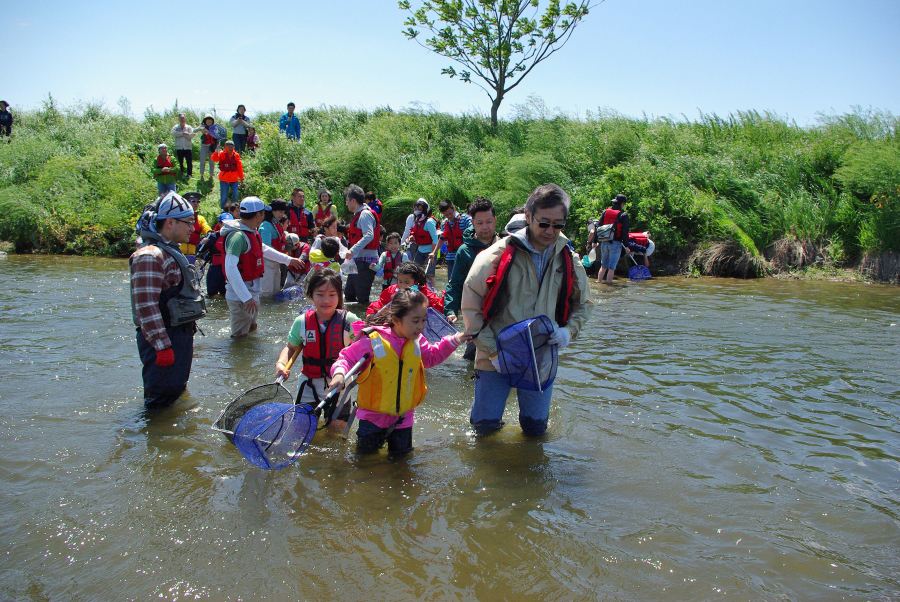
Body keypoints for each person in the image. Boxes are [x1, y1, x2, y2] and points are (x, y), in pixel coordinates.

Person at [461, 183, 592, 436]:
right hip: (495, 354)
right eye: (544, 223)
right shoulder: (494, 256)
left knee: (536, 431)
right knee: (483, 429)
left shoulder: (568, 258)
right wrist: (493, 352)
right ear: (529, 217)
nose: (550, 231)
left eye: (558, 225)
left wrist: (569, 332)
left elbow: (584, 304)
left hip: (540, 356)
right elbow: (470, 307)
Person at [327, 288, 472, 456]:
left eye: (424, 320)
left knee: (401, 465)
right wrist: (339, 374)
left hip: (403, 420)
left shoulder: (417, 341)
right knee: (365, 464)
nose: (421, 326)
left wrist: (456, 340)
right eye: (415, 321)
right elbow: (346, 358)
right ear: (396, 320)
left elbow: (432, 357)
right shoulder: (373, 340)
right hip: (372, 419)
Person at [130, 193, 206, 408]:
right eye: (188, 222)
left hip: (177, 335)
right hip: (163, 340)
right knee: (159, 404)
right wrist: (163, 347)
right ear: (170, 222)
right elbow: (145, 307)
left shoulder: (169, 250)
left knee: (176, 393)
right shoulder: (150, 256)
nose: (193, 228)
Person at [275, 269, 362, 408]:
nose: (326, 300)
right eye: (320, 294)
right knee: (305, 425)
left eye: (332, 295)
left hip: (340, 382)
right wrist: (281, 364)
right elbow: (291, 348)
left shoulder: (350, 320)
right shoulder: (302, 322)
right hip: (309, 384)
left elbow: (367, 344)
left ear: (340, 296)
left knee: (336, 428)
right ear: (311, 296)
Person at [219, 197, 304, 338]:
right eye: (264, 212)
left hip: (251, 293)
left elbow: (263, 249)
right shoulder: (238, 237)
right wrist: (246, 298)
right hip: (241, 297)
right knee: (240, 337)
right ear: (258, 215)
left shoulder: (252, 232)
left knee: (252, 329)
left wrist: (288, 260)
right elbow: (230, 268)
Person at [342, 184, 380, 306]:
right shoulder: (358, 214)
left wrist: (352, 250)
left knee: (362, 298)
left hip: (365, 261)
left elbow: (369, 235)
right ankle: (351, 322)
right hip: (357, 260)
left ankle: (364, 322)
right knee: (349, 294)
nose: (346, 204)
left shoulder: (364, 214)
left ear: (353, 200)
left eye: (347, 201)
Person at [366, 261, 443, 315]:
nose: (402, 286)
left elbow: (439, 306)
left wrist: (445, 297)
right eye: (400, 281)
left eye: (407, 282)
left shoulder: (423, 293)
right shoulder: (392, 290)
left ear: (416, 281)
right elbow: (380, 303)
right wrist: (371, 312)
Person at [597, 194, 631, 285]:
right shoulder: (623, 215)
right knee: (611, 267)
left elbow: (599, 227)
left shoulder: (605, 212)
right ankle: (608, 285)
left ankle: (599, 282)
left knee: (603, 266)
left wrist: (595, 241)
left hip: (604, 242)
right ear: (622, 203)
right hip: (615, 243)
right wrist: (627, 246)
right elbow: (624, 232)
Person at [433, 200, 472, 280]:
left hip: (464, 256)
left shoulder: (465, 219)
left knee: (465, 281)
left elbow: (474, 228)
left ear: (454, 208)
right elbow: (442, 239)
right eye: (446, 215)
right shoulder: (444, 223)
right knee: (451, 281)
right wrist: (434, 252)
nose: (449, 216)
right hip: (451, 257)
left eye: (450, 213)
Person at [406, 199, 439, 288]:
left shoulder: (429, 222)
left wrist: (433, 253)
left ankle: (432, 292)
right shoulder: (418, 221)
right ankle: (418, 290)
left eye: (419, 208)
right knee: (415, 273)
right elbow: (416, 235)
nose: (416, 210)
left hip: (430, 251)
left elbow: (435, 239)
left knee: (430, 275)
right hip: (420, 250)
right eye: (415, 208)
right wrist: (410, 238)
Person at [259, 199, 288, 297]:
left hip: (276, 263)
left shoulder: (276, 223)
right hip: (267, 264)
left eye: (283, 212)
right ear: (273, 211)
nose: (282, 214)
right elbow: (265, 246)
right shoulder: (266, 226)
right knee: (266, 294)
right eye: (280, 212)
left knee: (276, 293)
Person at [203, 211, 232, 297]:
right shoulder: (213, 237)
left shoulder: (235, 237)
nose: (227, 225)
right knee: (212, 295)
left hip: (228, 270)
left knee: (226, 295)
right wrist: (203, 243)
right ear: (219, 224)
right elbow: (199, 251)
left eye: (230, 223)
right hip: (215, 270)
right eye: (224, 223)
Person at [178, 192, 211, 264]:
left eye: (197, 201)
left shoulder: (200, 218)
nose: (196, 203)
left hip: (193, 254)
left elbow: (207, 229)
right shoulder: (178, 216)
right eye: (193, 201)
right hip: (178, 252)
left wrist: (208, 235)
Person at [210, 140, 244, 209]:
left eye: (232, 146)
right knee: (224, 196)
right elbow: (214, 159)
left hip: (234, 179)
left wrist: (241, 178)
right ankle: (224, 209)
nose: (230, 148)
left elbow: (239, 167)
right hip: (224, 179)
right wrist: (216, 151)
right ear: (226, 147)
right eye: (229, 146)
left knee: (236, 194)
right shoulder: (222, 154)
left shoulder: (236, 155)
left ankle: (233, 209)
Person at [170, 113, 194, 179]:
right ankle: (181, 173)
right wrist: (183, 133)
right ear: (178, 119)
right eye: (181, 118)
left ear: (185, 119)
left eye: (183, 118)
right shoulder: (176, 127)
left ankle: (189, 174)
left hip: (187, 147)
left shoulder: (189, 127)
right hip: (179, 147)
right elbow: (172, 133)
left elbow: (191, 135)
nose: (182, 119)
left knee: (189, 161)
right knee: (180, 162)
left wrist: (181, 135)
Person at [195, 114, 218, 183]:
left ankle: (211, 175)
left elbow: (217, 135)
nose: (209, 122)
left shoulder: (214, 128)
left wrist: (210, 132)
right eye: (207, 121)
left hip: (212, 146)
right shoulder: (202, 127)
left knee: (212, 162)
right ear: (205, 121)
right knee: (202, 161)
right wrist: (200, 128)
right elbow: (194, 130)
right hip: (204, 145)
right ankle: (202, 175)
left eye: (210, 121)